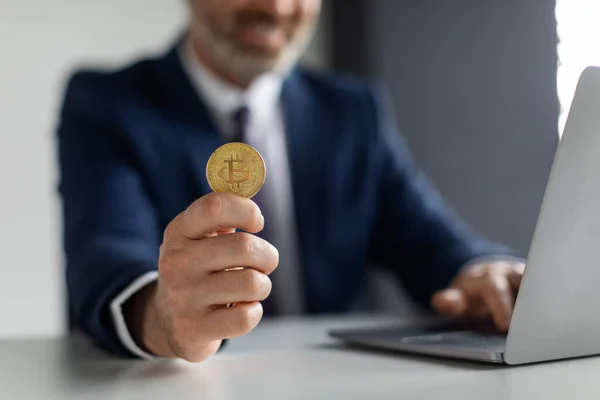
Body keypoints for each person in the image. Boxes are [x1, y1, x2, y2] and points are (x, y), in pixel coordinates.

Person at [56, 0, 525, 363]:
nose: (278, 7)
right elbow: (107, 252)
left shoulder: (353, 111)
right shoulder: (105, 105)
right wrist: (163, 318)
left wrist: (483, 270)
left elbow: (426, 236)